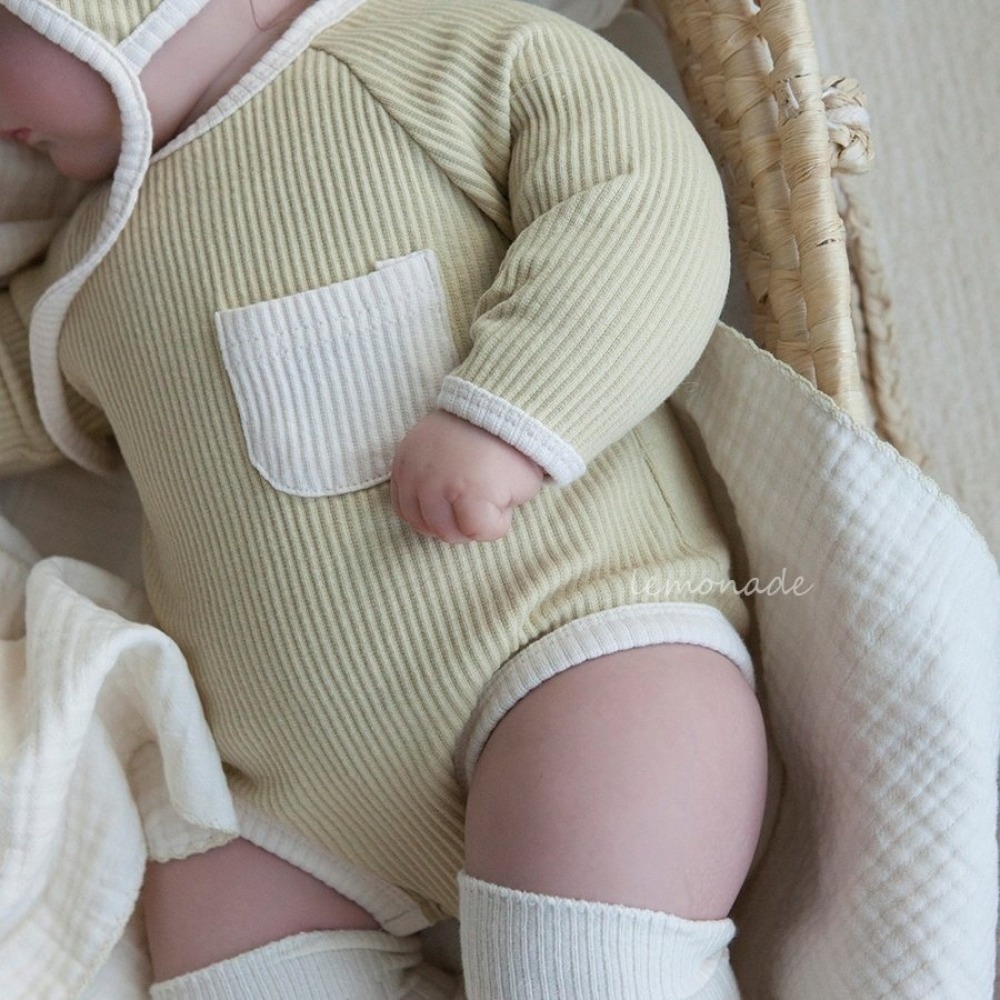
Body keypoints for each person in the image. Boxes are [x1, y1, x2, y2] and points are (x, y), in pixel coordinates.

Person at [0, 0, 768, 996]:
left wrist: (515, 410)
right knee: (226, 960)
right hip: (278, 796)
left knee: (587, 967)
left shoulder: (438, 57)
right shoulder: (83, 264)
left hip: (566, 651)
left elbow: (640, 194)